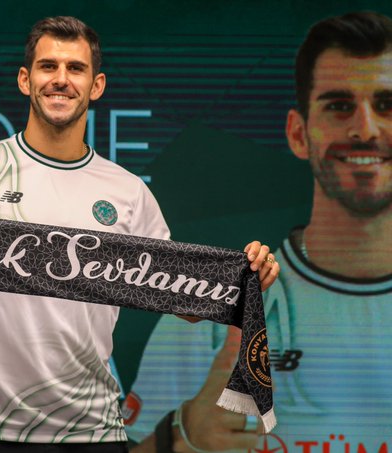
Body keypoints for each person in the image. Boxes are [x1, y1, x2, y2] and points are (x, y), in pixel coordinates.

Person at [0, 16, 279, 452]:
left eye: (75, 68)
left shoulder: (127, 192)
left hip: (92, 432)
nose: (61, 79)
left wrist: (243, 281)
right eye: (49, 67)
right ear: (25, 80)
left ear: (96, 85)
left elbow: (183, 301)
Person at [126, 11, 392, 453]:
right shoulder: (211, 303)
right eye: (339, 105)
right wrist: (182, 436)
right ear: (298, 133)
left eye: (387, 105)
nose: (364, 129)